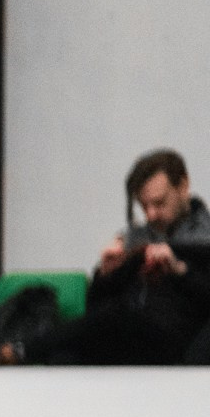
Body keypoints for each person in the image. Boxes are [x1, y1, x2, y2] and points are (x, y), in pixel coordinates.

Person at [40, 148, 210, 365]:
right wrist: (105, 275)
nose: (151, 215)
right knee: (64, 358)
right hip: (127, 337)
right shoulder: (133, 239)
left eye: (159, 203)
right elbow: (94, 309)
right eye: (144, 206)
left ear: (183, 186)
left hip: (176, 343)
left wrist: (181, 271)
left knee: (115, 316)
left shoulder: (204, 239)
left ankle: (22, 349)